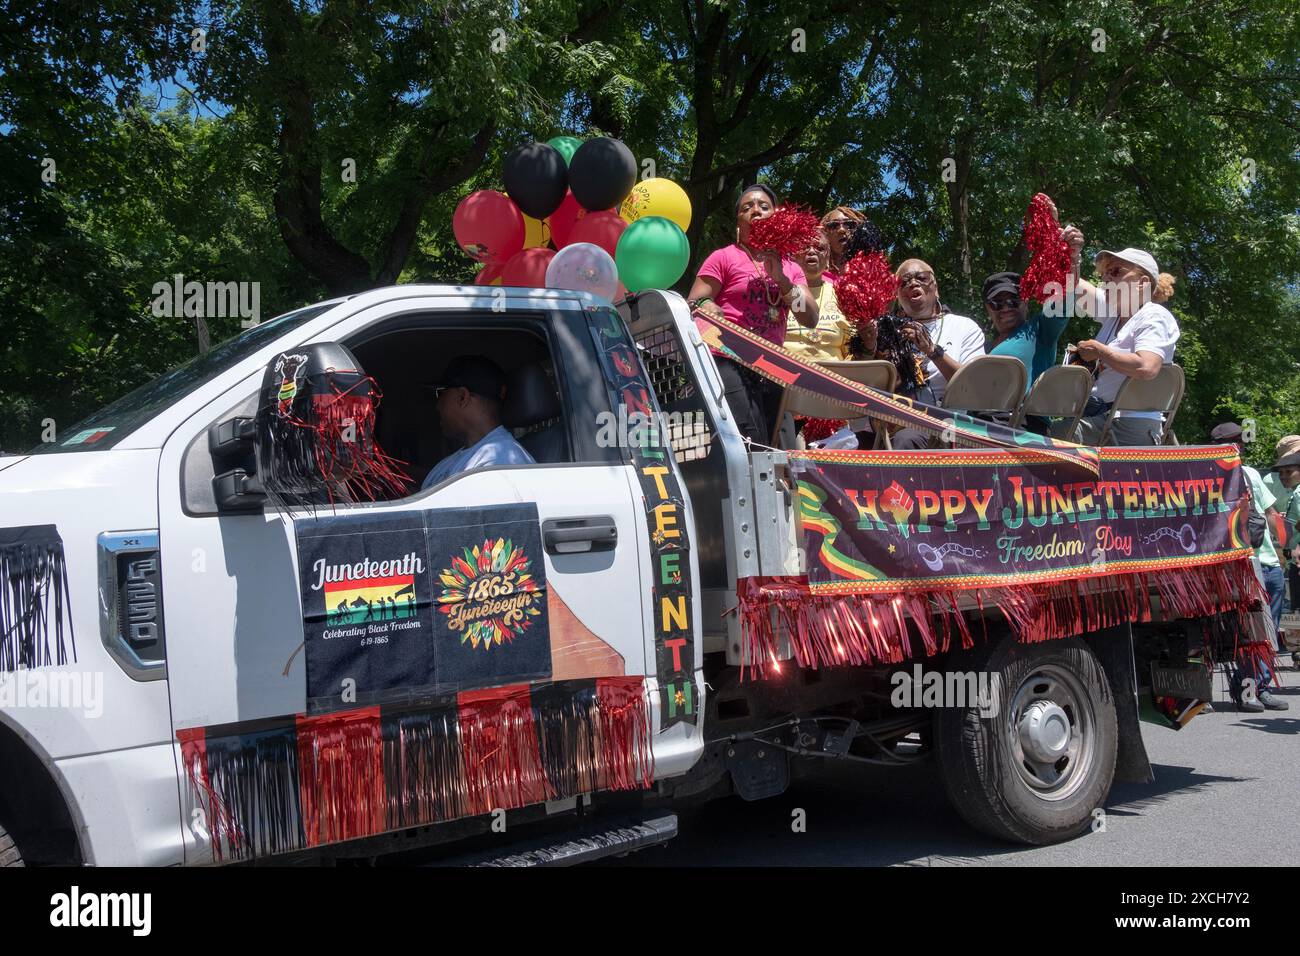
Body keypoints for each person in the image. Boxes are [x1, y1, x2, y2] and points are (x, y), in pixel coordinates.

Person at [688, 184, 819, 444]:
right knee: (750, 437)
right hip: (726, 357)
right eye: (746, 208)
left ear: (776, 216)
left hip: (772, 365)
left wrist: (782, 280)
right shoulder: (723, 257)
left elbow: (809, 318)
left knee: (777, 442)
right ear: (739, 221)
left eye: (763, 206)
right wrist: (707, 306)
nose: (755, 211)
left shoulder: (790, 266)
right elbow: (692, 302)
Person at [1062, 230, 1180, 445]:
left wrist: (1100, 351)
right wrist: (1072, 255)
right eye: (1104, 274)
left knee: (1048, 437)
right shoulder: (1113, 314)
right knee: (1046, 434)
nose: (1106, 278)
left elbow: (1147, 367)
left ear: (1142, 283)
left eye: (1115, 272)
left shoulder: (1154, 315)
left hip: (1129, 427)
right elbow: (1072, 284)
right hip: (1101, 420)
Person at [1211, 422, 1289, 712]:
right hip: (1240, 564)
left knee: (1269, 632)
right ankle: (1247, 691)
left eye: (1238, 442)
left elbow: (1271, 515)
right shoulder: (1213, 475)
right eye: (1229, 442)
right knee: (1248, 631)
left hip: (1268, 561)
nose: (1236, 447)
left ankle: (1263, 686)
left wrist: (1284, 549)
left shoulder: (1252, 473)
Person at [885, 259, 986, 449]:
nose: (913, 284)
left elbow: (974, 385)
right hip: (911, 426)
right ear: (897, 296)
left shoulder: (964, 327)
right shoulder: (890, 335)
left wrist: (932, 351)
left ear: (936, 288)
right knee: (905, 439)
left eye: (921, 278)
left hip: (957, 425)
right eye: (903, 282)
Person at [421, 355, 534, 490]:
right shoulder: (468, 458)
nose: (437, 406)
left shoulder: (498, 464)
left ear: (463, 397)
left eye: (440, 394)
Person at [785, 232, 854, 362]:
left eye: (820, 248)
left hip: (832, 377)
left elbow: (853, 352)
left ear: (828, 260)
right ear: (793, 256)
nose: (811, 251)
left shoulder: (844, 296)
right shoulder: (780, 291)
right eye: (805, 247)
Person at [820, 206, 866, 279]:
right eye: (833, 225)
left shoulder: (874, 270)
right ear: (825, 233)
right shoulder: (811, 271)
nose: (841, 230)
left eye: (849, 224)